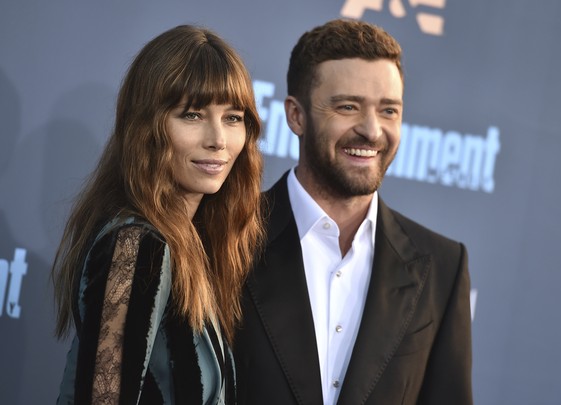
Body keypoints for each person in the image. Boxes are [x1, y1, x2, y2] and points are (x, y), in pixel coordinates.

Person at [234, 19, 473, 405]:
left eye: (389, 111)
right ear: (296, 116)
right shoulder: (226, 234)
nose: (372, 131)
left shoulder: (441, 266)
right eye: (348, 107)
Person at [51, 25, 264, 404]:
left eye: (233, 118)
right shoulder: (136, 244)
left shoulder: (190, 243)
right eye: (193, 115)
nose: (218, 139)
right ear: (147, 128)